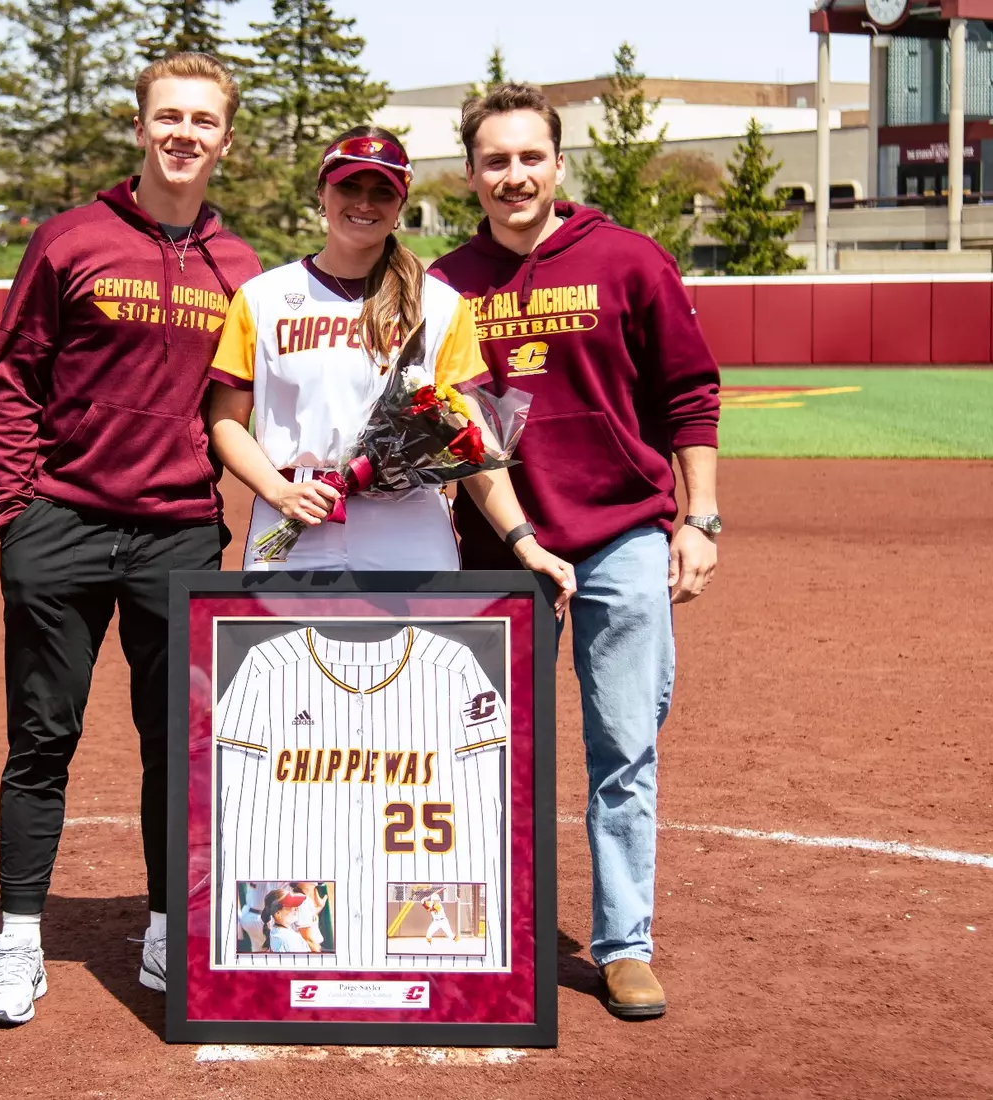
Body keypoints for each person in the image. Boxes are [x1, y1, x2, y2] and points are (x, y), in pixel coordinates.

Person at [0, 53, 261, 1027]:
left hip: (178, 532)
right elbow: (13, 378)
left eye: (203, 121)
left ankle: (166, 925)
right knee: (41, 739)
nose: (185, 134)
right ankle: (17, 939)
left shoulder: (244, 269)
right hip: (63, 521)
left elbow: (247, 409)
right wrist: (19, 514)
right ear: (140, 128)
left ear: (226, 137)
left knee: (176, 744)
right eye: (168, 116)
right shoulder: (73, 239)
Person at [430, 83, 722, 1020]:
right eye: (494, 161)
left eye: (529, 157)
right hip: (497, 549)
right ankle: (491, 931)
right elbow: (439, 420)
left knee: (624, 748)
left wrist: (701, 519)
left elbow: (690, 395)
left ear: (558, 163)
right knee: (485, 751)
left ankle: (625, 943)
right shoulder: (443, 285)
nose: (513, 175)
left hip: (621, 536)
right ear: (470, 174)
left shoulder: (629, 261)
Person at [205, 125, 576, 605]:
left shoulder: (438, 305)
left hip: (409, 519)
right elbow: (226, 422)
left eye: (383, 191)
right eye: (349, 186)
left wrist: (524, 542)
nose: (364, 202)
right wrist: (278, 492)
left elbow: (471, 441)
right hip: (295, 514)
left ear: (400, 207)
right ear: (322, 193)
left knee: (413, 673)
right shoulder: (263, 298)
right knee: (288, 676)